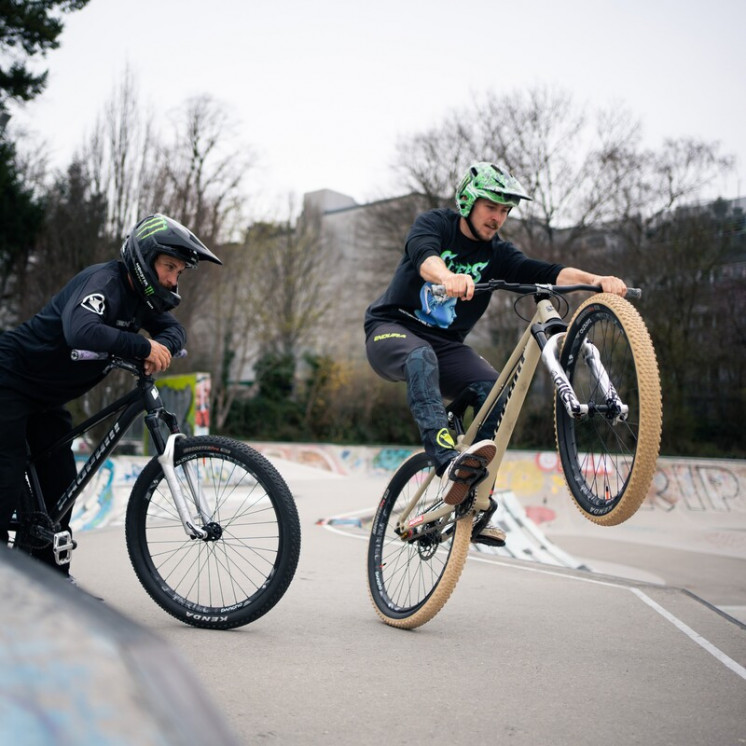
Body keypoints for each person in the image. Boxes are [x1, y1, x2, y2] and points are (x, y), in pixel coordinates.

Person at [364, 162, 627, 545]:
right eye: (492, 207)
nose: (498, 218)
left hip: (447, 346)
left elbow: (547, 271)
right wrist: (447, 276)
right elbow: (424, 256)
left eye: (505, 211)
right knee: (421, 356)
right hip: (393, 329)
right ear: (469, 201)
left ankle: (473, 496)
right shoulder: (435, 224)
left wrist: (594, 280)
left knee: (494, 387)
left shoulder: (498, 254)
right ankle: (444, 461)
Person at [0, 213, 222, 577]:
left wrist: (159, 347)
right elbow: (81, 330)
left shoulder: (144, 301)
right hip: (9, 379)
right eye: (169, 266)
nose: (172, 278)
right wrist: (142, 346)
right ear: (144, 258)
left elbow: (175, 330)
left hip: (45, 400)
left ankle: (48, 580)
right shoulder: (104, 281)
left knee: (60, 483)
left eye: (179, 272)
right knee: (6, 476)